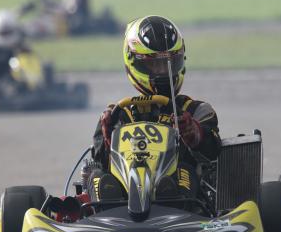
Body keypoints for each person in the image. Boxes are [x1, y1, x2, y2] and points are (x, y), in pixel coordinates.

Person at [91, 15, 222, 202]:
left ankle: (170, 199)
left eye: (169, 64)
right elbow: (101, 161)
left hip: (178, 199)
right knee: (97, 177)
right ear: (134, 62)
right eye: (155, 64)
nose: (163, 72)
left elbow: (213, 150)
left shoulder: (194, 110)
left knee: (182, 172)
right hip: (121, 197)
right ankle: (103, 208)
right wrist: (107, 139)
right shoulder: (117, 114)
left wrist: (195, 134)